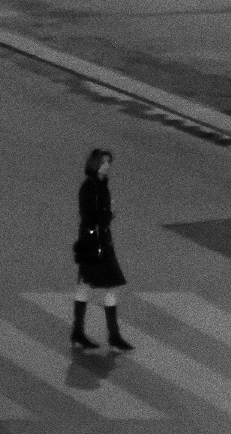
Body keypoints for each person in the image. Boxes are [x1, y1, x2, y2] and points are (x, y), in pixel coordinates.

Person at [70, 147, 131, 354]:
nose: (107, 166)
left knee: (85, 286)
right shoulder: (89, 187)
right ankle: (112, 337)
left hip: (95, 243)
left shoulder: (100, 186)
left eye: (109, 163)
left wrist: (106, 214)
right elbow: (89, 217)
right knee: (110, 285)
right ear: (95, 164)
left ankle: (78, 334)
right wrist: (109, 213)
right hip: (95, 244)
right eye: (104, 162)